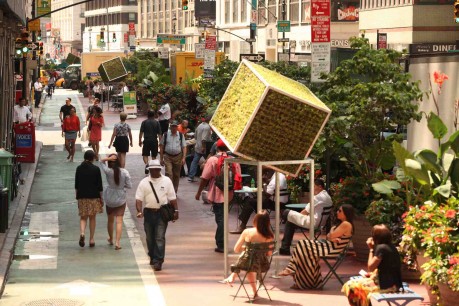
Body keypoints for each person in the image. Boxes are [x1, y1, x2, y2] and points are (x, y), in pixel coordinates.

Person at [278, 204, 354, 289]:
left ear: (346, 213)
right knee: (303, 248)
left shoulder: (346, 224)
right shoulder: (342, 224)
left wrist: (331, 234)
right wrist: (331, 236)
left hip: (331, 249)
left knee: (303, 244)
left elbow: (330, 235)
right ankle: (306, 281)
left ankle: (293, 270)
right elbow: (329, 236)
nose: (337, 212)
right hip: (328, 246)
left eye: (340, 211)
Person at [195, 139, 241, 253]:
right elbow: (238, 175)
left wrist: (199, 192)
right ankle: (221, 241)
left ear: (217, 148)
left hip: (217, 193)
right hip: (229, 193)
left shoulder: (213, 159)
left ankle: (221, 243)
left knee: (220, 218)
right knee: (223, 217)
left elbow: (204, 177)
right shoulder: (233, 160)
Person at [219, 210, 274, 299]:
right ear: (267, 222)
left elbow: (236, 249)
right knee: (250, 258)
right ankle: (253, 292)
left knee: (248, 258)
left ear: (255, 220)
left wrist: (246, 248)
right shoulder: (270, 235)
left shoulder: (247, 232)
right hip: (262, 264)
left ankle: (232, 277)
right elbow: (269, 253)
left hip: (248, 263)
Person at [342, 224, 402, 306]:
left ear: (375, 237)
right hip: (393, 283)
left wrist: (371, 249)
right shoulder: (390, 246)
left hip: (388, 285)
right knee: (355, 283)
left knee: (352, 286)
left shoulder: (381, 248)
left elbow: (370, 267)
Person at [135, 159, 178, 271]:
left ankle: (158, 260)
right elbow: (139, 199)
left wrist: (176, 211)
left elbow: (172, 198)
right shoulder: (144, 182)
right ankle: (152, 255)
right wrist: (139, 211)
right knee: (150, 237)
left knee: (159, 237)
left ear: (159, 169)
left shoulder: (167, 181)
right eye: (151, 170)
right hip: (148, 212)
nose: (153, 172)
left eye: (155, 169)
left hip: (161, 213)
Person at [279, 178, 333, 255]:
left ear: (320, 187)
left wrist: (297, 217)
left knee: (286, 213)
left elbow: (305, 212)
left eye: (314, 186)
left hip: (312, 223)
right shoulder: (328, 197)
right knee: (290, 220)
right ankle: (284, 248)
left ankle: (285, 248)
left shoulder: (318, 197)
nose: (312, 188)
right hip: (320, 223)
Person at [232, 169, 288, 234]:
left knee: (250, 202)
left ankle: (243, 225)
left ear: (268, 172)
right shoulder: (280, 175)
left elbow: (267, 194)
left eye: (266, 174)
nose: (266, 176)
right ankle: (256, 223)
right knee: (252, 200)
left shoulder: (276, 179)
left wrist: (264, 183)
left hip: (276, 203)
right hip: (279, 200)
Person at [100, 154, 132, 250]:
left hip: (110, 197)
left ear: (109, 163)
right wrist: (122, 187)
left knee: (110, 220)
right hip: (120, 198)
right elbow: (129, 185)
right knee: (119, 221)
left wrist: (108, 158)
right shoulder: (125, 172)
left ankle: (111, 238)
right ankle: (117, 242)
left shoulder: (108, 171)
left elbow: (101, 161)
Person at [75, 150, 103, 248]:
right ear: (93, 158)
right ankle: (91, 239)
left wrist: (77, 197)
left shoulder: (79, 168)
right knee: (92, 217)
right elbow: (99, 186)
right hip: (94, 196)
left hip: (82, 196)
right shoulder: (96, 169)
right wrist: (101, 198)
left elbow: (77, 185)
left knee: (83, 217)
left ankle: (82, 233)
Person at [159, 120, 186, 193]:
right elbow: (161, 146)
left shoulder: (180, 135)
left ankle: (174, 191)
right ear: (170, 127)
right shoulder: (166, 135)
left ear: (177, 127)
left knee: (176, 175)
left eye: (175, 126)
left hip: (178, 156)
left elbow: (184, 147)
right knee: (169, 173)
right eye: (172, 126)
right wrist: (161, 159)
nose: (174, 128)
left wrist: (183, 158)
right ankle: (168, 190)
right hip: (168, 156)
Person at [188, 116, 212, 182]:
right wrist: (203, 147)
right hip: (204, 148)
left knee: (195, 161)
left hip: (198, 146)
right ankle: (207, 177)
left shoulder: (200, 125)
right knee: (208, 161)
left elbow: (195, 136)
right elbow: (204, 139)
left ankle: (191, 176)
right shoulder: (207, 127)